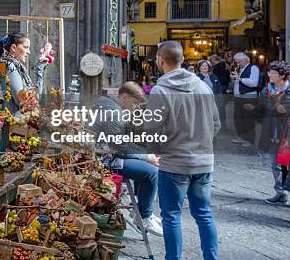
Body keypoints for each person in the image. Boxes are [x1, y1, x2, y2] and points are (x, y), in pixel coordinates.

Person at [144, 41, 220, 260]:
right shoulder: (203, 86)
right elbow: (216, 124)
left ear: (160, 61)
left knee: (171, 216)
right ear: (183, 60)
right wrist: (201, 143)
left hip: (175, 163)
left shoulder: (160, 90)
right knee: (204, 214)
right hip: (204, 162)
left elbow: (151, 128)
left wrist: (158, 151)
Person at [93, 82, 163, 236]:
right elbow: (121, 149)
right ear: (124, 97)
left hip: (107, 153)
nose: (137, 108)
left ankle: (140, 207)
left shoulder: (111, 106)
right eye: (135, 103)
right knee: (152, 172)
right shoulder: (114, 113)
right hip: (103, 159)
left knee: (146, 158)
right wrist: (146, 156)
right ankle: (144, 216)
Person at [249, 61, 290, 205]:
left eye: (273, 73)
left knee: (286, 163)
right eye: (270, 72)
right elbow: (261, 110)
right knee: (275, 164)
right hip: (271, 132)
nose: (270, 75)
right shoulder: (266, 91)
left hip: (287, 133)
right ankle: (281, 193)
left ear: (283, 75)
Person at [0, 32, 51, 114]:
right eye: (25, 47)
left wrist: (40, 69)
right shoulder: (10, 66)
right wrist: (39, 70)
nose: (28, 52)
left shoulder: (13, 65)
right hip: (14, 121)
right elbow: (24, 102)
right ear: (14, 48)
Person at [231, 52, 260, 146]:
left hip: (248, 97)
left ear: (245, 60)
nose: (238, 64)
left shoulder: (253, 68)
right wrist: (234, 79)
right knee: (238, 119)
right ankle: (242, 137)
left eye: (239, 62)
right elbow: (238, 82)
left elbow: (254, 82)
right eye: (237, 62)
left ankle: (250, 140)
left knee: (248, 120)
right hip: (239, 98)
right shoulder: (240, 69)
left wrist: (239, 79)